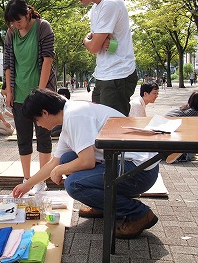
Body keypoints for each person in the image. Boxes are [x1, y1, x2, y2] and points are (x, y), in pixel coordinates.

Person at [13, 88, 160, 239]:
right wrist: (27, 184)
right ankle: (102, 205)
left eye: (36, 120)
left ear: (44, 113)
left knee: (74, 184)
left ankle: (139, 214)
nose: (38, 125)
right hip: (128, 164)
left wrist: (58, 171)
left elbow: (87, 161)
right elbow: (55, 162)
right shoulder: (70, 115)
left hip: (140, 171)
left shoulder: (74, 116)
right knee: (66, 159)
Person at [67, 0, 138, 116]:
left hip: (117, 75)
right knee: (100, 126)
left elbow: (93, 47)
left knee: (113, 131)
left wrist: (85, 40)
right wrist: (97, 42)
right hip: (104, 74)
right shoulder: (96, 8)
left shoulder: (110, 4)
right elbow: (109, 46)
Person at [3, 0, 57, 195]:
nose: (16, 26)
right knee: (23, 138)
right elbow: (8, 64)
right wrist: (9, 91)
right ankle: (27, 179)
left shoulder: (43, 27)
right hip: (19, 93)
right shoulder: (11, 33)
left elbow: (47, 60)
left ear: (27, 14)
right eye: (12, 23)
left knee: (44, 136)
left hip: (41, 91)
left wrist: (41, 93)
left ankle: (42, 180)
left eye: (18, 21)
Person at [165, 91, 198, 162]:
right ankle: (183, 155)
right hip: (171, 137)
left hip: (163, 132)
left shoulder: (185, 108)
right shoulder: (194, 113)